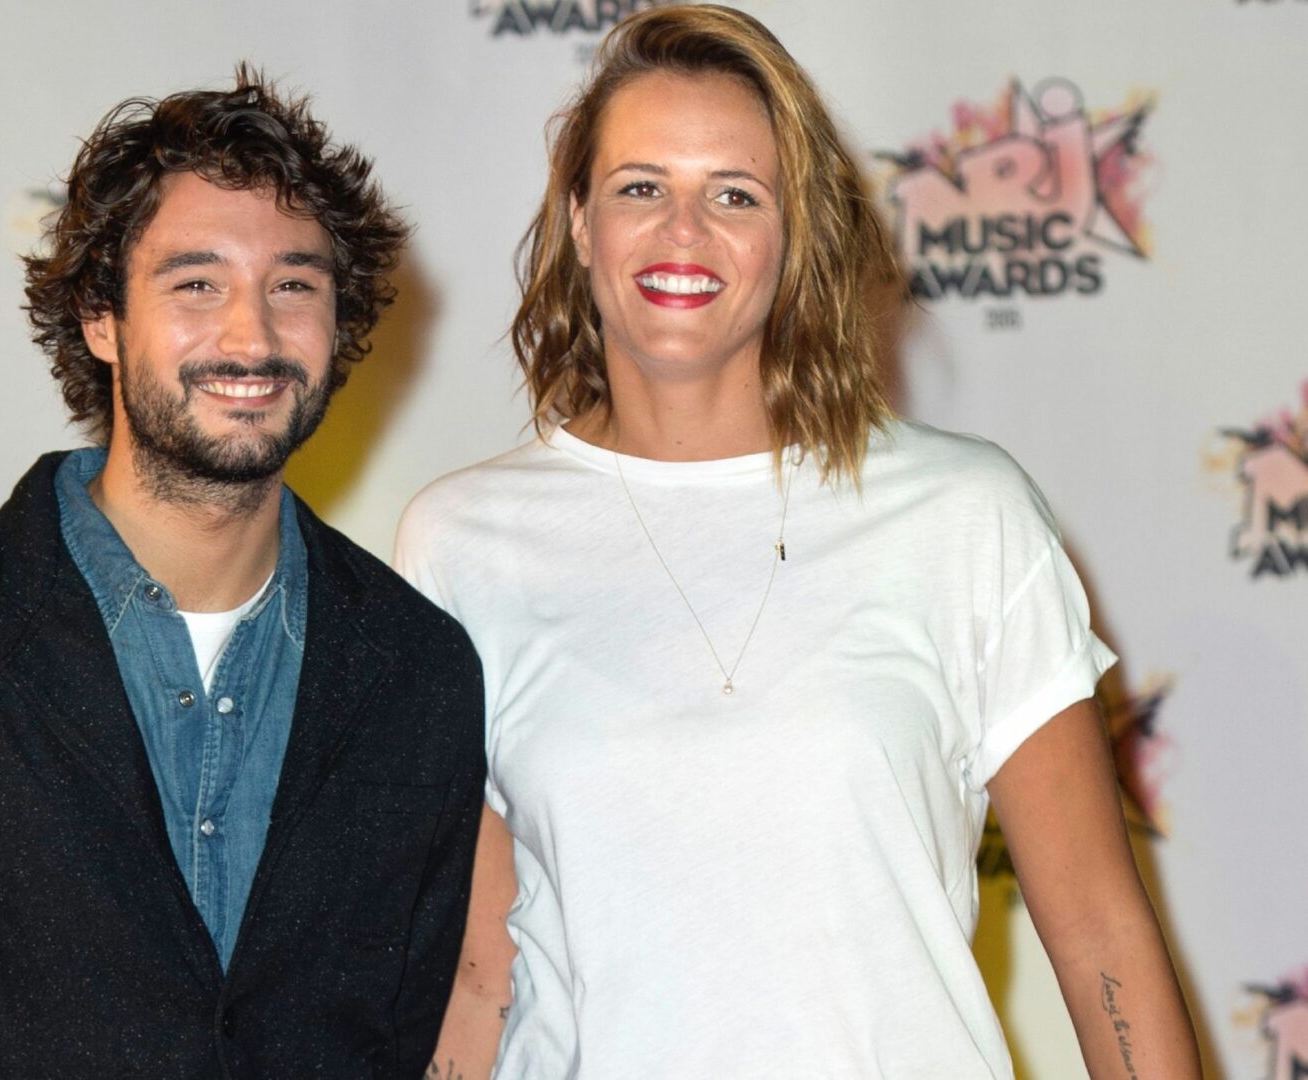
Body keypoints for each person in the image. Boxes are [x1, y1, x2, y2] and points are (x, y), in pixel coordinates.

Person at [396, 7, 1200, 1078]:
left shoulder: (962, 513)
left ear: (794, 238)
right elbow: (478, 971)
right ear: (580, 221)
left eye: (733, 196)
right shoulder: (460, 543)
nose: (681, 234)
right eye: (641, 188)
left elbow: (1098, 925)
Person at [0, 70, 485, 1079]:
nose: (250, 335)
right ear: (99, 318)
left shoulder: (417, 672)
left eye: (292, 285)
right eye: (195, 284)